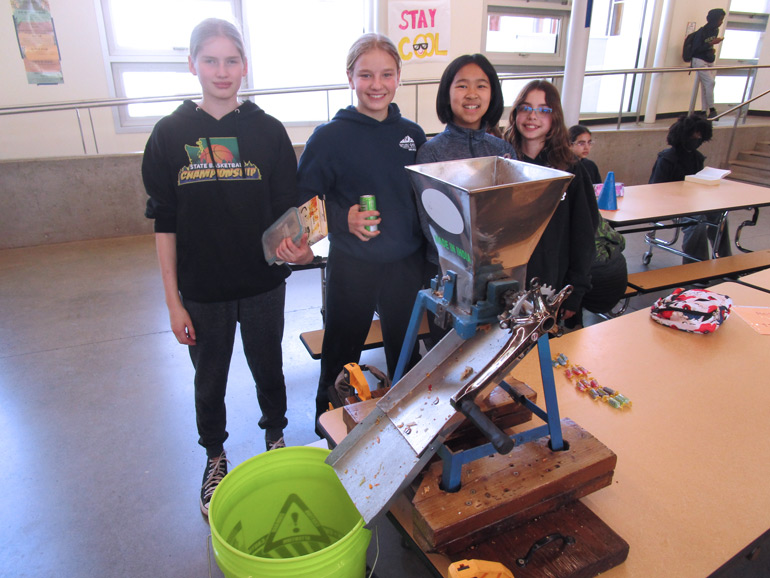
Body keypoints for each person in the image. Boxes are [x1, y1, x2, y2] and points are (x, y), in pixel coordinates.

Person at [142, 18, 313, 517]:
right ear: (192, 64)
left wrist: (299, 247)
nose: (222, 71)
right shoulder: (170, 134)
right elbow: (165, 224)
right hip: (201, 291)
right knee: (209, 377)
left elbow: (288, 212)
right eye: (211, 60)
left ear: (244, 65)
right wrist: (173, 302)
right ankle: (215, 455)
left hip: (262, 284)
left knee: (269, 367)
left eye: (232, 60)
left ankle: (276, 437)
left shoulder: (268, 131)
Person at [296, 33, 427, 435]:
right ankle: (330, 428)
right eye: (366, 74)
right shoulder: (329, 138)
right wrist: (342, 220)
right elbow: (304, 204)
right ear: (350, 76)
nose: (376, 84)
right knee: (340, 350)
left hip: (405, 263)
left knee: (405, 352)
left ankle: (409, 427)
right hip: (352, 265)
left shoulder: (413, 135)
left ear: (399, 77)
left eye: (386, 74)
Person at [415, 53, 516, 343]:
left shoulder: (502, 151)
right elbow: (430, 224)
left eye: (481, 86)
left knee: (490, 355)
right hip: (448, 275)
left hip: (496, 274)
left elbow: (511, 214)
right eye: (461, 85)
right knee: (447, 357)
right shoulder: (430, 153)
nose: (471, 94)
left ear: (492, 94)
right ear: (447, 93)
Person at [503, 81, 598, 324]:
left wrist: (575, 290)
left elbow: (584, 236)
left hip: (551, 283)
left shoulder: (572, 169)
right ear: (515, 113)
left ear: (555, 117)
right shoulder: (501, 162)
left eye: (543, 110)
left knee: (547, 354)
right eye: (525, 108)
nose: (532, 116)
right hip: (506, 284)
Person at [649, 113, 730, 263]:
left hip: (692, 201)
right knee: (696, 221)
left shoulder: (697, 157)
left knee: (720, 215)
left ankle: (725, 260)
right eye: (695, 137)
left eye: (700, 138)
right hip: (669, 204)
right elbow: (655, 189)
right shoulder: (667, 158)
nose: (698, 141)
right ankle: (696, 265)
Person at [569, 125, 628, 324]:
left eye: (589, 142)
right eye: (580, 143)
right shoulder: (570, 169)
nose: (586, 147)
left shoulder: (590, 167)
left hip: (596, 272)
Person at [691, 8, 726, 119]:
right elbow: (696, 50)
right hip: (700, 60)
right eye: (720, 19)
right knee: (710, 83)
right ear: (714, 19)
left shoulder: (715, 30)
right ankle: (711, 109)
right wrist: (711, 43)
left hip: (709, 59)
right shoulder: (702, 32)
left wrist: (711, 48)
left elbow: (707, 46)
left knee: (706, 86)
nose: (721, 22)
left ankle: (703, 110)